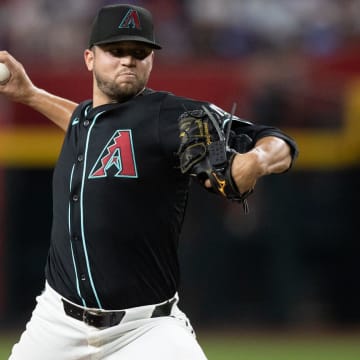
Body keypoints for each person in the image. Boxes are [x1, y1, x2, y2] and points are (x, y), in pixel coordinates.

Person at [0, 4, 298, 360]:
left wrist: (255, 161)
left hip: (145, 328)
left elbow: (278, 141)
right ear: (90, 59)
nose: (128, 60)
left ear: (151, 61)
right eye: (116, 51)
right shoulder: (86, 122)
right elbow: (85, 122)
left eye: (139, 53)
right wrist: (31, 95)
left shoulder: (169, 115)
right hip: (57, 322)